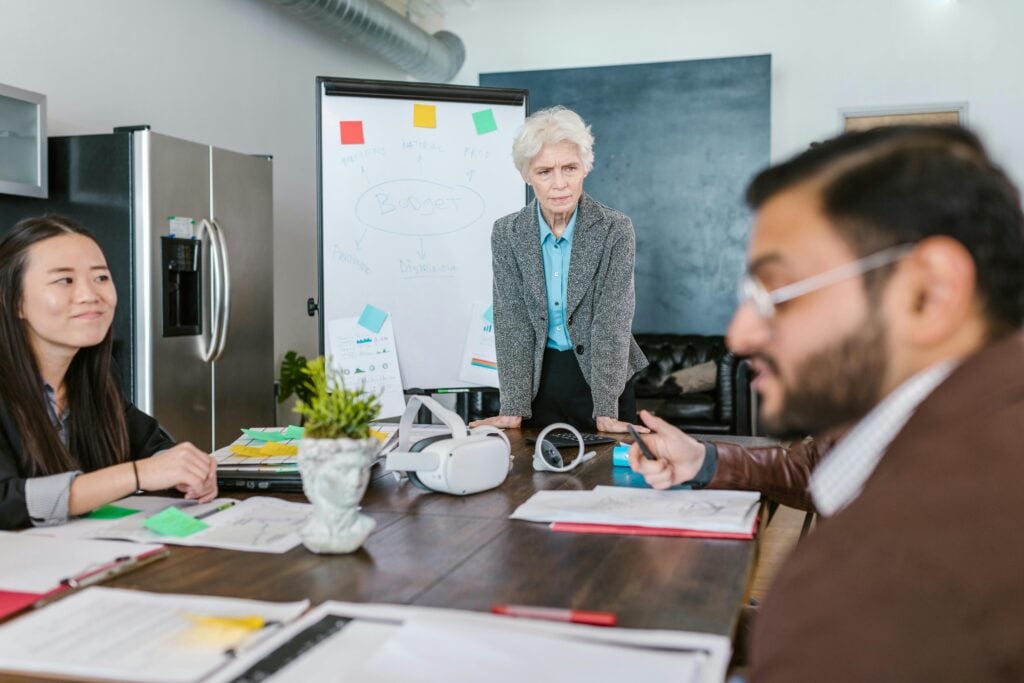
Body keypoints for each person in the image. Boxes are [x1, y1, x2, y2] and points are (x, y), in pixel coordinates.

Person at [630, 125, 1024, 681]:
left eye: (776, 293)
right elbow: (827, 461)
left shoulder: (894, 568)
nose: (740, 335)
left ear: (928, 293)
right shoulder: (968, 419)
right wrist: (704, 460)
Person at [0, 215, 218, 530]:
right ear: (15, 301)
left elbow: (150, 445)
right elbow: (6, 499)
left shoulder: (92, 379)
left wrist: (187, 472)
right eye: (65, 280)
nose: (91, 295)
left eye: (101, 278)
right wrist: (137, 474)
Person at [471, 106, 648, 434]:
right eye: (544, 171)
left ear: (585, 168)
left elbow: (613, 320)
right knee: (534, 477)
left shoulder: (615, 229)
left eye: (569, 168)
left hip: (603, 377)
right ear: (526, 175)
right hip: (539, 379)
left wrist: (606, 405)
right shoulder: (507, 233)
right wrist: (513, 405)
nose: (559, 184)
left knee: (606, 476)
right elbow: (512, 321)